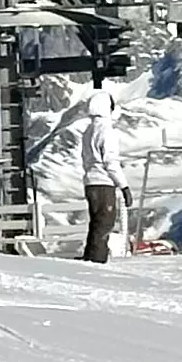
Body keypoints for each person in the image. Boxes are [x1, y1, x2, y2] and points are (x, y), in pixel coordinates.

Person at [56, 81, 129, 265]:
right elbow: (110, 162)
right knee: (105, 223)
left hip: (90, 182)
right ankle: (97, 260)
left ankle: (90, 256)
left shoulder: (88, 131)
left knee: (95, 223)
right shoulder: (107, 131)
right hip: (104, 183)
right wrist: (124, 186)